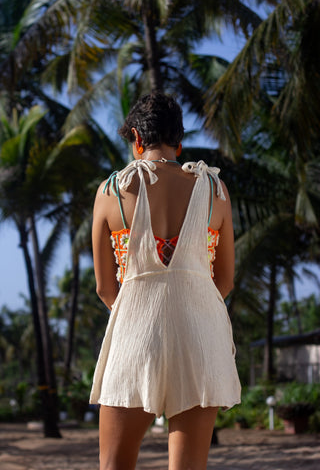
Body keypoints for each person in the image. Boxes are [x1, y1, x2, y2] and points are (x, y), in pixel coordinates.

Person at [90, 93, 241, 470]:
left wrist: (144, 311)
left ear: (137, 139)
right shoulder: (215, 190)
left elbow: (105, 288)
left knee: (114, 465)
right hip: (200, 335)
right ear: (179, 141)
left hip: (136, 334)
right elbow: (223, 280)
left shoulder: (112, 191)